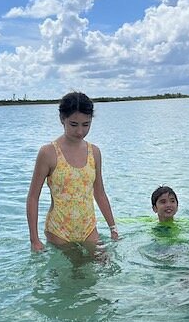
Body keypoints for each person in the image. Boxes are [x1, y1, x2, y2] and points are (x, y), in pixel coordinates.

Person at [26, 91, 119, 251]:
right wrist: (34, 239)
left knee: (107, 268)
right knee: (73, 274)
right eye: (74, 124)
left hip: (89, 228)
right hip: (59, 231)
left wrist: (113, 228)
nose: (80, 131)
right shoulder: (48, 153)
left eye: (86, 124)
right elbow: (33, 197)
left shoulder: (94, 152)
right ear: (62, 119)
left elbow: (100, 193)